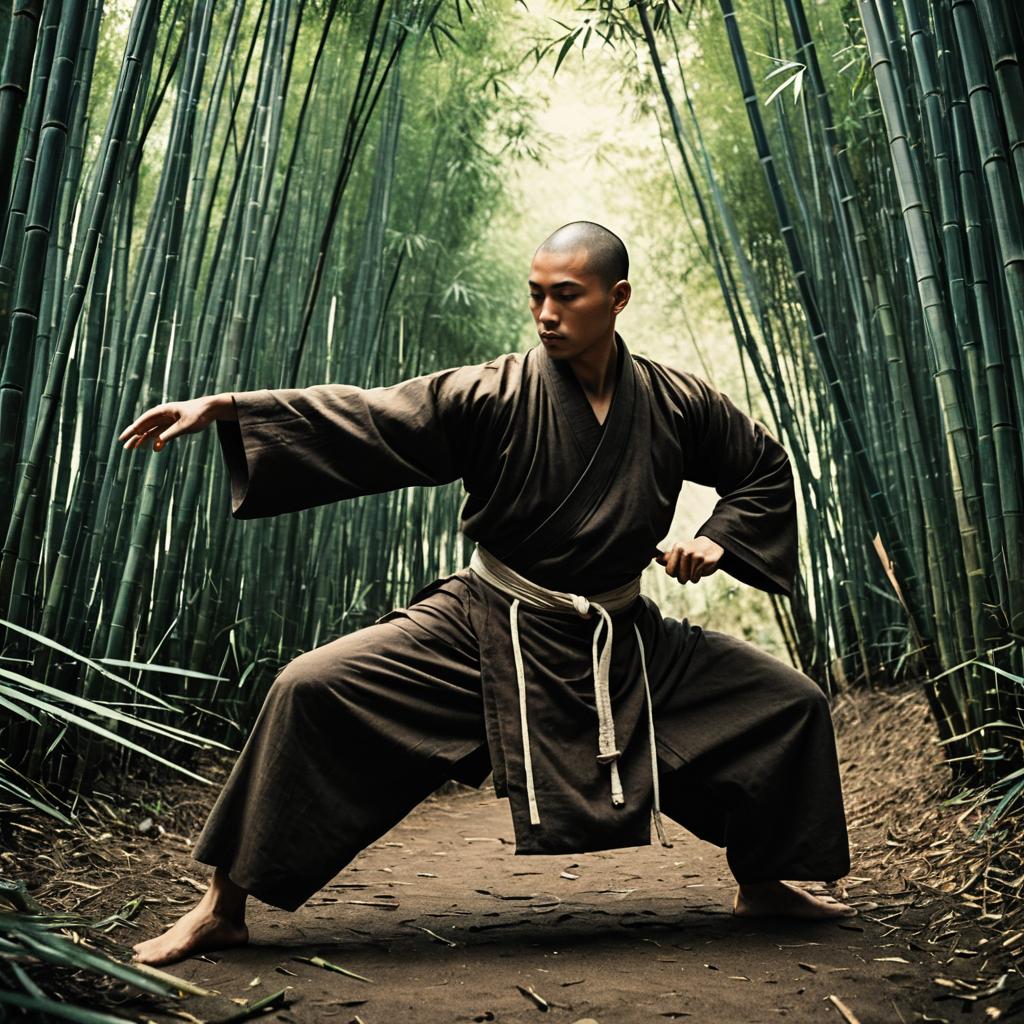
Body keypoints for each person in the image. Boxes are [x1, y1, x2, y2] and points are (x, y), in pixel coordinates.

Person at [120, 221, 855, 967]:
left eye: (566, 296)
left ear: (618, 298)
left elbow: (761, 467)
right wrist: (236, 411)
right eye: (535, 295)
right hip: (487, 627)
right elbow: (376, 416)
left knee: (787, 706)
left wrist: (718, 539)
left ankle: (761, 881)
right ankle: (222, 906)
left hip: (619, 636)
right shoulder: (494, 393)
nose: (545, 314)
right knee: (309, 688)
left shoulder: (674, 401)